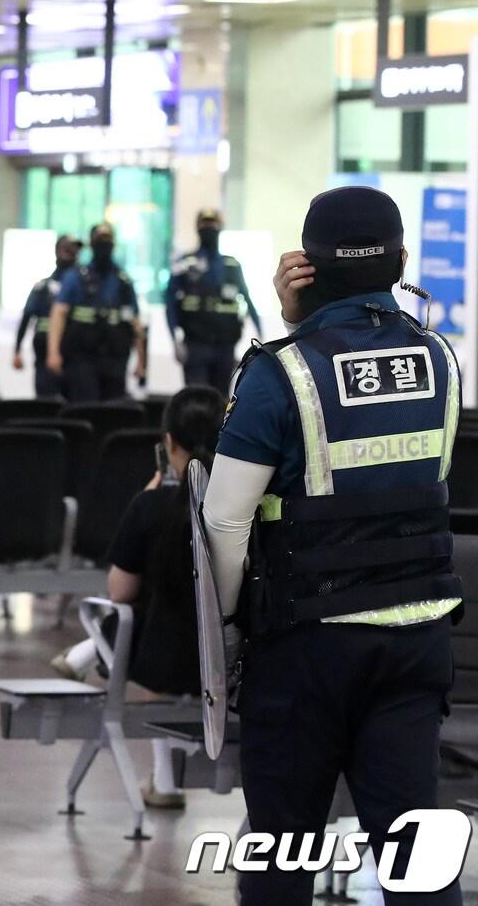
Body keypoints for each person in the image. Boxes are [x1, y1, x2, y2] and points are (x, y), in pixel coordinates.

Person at [203, 186, 461, 905]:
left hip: (306, 648)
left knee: (283, 851)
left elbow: (225, 520)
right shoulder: (439, 360)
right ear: (400, 261)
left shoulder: (277, 370)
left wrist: (226, 627)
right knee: (415, 859)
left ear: (304, 267)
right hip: (416, 639)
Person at [51, 386, 225, 809]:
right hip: (234, 662)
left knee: (140, 610)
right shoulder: (244, 505)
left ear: (168, 443)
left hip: (162, 660)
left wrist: (148, 499)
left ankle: (165, 782)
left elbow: (119, 592)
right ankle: (82, 653)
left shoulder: (150, 507)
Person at [46, 222, 146, 403]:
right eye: (100, 240)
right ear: (92, 244)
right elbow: (58, 313)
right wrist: (53, 352)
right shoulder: (75, 276)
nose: (104, 245)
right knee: (85, 405)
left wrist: (141, 360)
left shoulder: (123, 280)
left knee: (114, 409)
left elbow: (135, 321)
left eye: (107, 240)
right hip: (82, 356)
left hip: (114, 357)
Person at [167, 209, 263, 395]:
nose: (209, 228)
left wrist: (261, 336)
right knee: (196, 400)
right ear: (197, 228)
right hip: (195, 344)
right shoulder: (185, 263)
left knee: (221, 403)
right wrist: (174, 341)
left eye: (212, 224)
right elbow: (170, 303)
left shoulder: (231, 265)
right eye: (204, 224)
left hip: (225, 346)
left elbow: (247, 299)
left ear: (220, 228)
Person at [13, 234, 80, 399]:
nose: (71, 253)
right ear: (58, 251)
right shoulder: (42, 287)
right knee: (46, 400)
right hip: (44, 353)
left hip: (76, 352)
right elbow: (27, 317)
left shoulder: (84, 286)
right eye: (67, 249)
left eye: (74, 250)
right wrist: (17, 350)